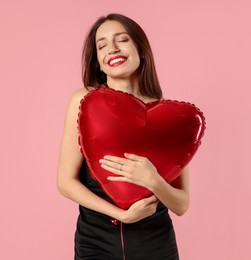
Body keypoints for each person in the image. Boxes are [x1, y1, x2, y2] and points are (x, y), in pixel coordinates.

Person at [57, 13, 190, 260]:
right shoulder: (83, 101)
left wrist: (153, 180)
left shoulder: (169, 116)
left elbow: (181, 204)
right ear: (97, 60)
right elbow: (66, 182)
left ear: (141, 49)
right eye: (102, 45)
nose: (112, 49)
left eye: (122, 39)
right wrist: (122, 215)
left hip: (156, 244)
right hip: (95, 243)